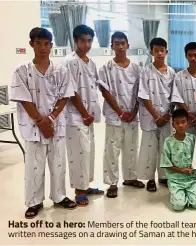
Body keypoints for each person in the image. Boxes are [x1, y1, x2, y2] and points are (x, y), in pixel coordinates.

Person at [10, 27, 77, 218]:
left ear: (51, 46)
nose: (42, 48)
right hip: (32, 127)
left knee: (58, 163)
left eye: (46, 44)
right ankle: (34, 202)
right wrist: (41, 122)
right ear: (31, 44)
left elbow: (65, 96)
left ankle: (59, 196)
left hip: (56, 125)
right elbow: (24, 99)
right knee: (34, 166)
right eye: (38, 43)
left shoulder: (61, 70)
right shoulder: (21, 71)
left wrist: (51, 119)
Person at [63, 24, 105, 206]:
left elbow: (95, 86)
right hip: (75, 116)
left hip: (89, 116)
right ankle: (79, 190)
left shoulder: (91, 63)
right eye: (82, 41)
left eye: (89, 41)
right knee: (79, 153)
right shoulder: (69, 62)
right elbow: (71, 91)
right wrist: (84, 113)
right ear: (75, 41)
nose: (86, 44)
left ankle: (85, 185)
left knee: (89, 152)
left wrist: (91, 114)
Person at [99, 32, 143, 198]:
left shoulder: (136, 68)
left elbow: (141, 92)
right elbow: (105, 92)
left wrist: (133, 112)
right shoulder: (105, 69)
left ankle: (130, 177)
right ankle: (112, 183)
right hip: (114, 116)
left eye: (122, 43)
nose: (119, 46)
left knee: (131, 148)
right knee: (112, 149)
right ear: (112, 46)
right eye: (116, 43)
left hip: (132, 115)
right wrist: (120, 112)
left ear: (127, 45)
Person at [171, 42, 196, 191]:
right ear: (185, 56)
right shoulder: (179, 76)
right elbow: (177, 97)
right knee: (185, 150)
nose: (193, 58)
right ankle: (185, 178)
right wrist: (188, 114)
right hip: (185, 121)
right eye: (190, 55)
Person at [138, 37, 176, 192]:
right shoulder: (146, 71)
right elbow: (144, 95)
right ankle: (150, 179)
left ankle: (164, 176)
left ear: (166, 52)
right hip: (150, 117)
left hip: (167, 117)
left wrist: (167, 115)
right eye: (156, 51)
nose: (160, 53)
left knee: (165, 148)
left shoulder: (172, 72)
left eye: (162, 50)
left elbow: (175, 96)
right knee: (150, 148)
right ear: (151, 52)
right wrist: (156, 116)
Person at [160, 109, 196, 211]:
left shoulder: (192, 139)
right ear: (173, 124)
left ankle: (188, 194)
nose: (180, 125)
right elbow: (166, 163)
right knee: (178, 206)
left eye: (183, 122)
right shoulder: (168, 142)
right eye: (177, 123)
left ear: (187, 123)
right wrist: (181, 170)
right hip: (176, 179)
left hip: (191, 179)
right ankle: (179, 195)